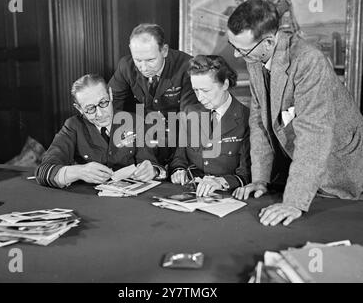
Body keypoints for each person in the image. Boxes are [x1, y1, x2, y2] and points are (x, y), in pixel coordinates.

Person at [226, 0, 363, 226]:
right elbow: (259, 122)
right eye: (233, 46)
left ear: (269, 42)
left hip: (340, 171)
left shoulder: (308, 60)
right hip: (304, 170)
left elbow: (314, 134)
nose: (237, 55)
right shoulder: (255, 56)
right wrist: (260, 179)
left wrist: (294, 202)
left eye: (241, 49)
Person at [35, 74, 164, 188]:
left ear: (111, 94)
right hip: (89, 202)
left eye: (103, 102)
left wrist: (152, 170)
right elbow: (43, 171)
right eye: (90, 109)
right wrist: (79, 171)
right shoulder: (73, 126)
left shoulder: (136, 122)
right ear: (79, 109)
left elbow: (152, 163)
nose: (100, 114)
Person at [108, 23, 198, 166]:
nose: (144, 68)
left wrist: (179, 164)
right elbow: (111, 107)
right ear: (131, 50)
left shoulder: (187, 66)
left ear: (164, 51)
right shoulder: (126, 65)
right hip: (144, 140)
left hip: (179, 140)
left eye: (150, 60)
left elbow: (189, 119)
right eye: (138, 60)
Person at [170, 55, 250, 197]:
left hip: (228, 196)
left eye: (205, 91)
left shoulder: (247, 119)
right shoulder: (190, 112)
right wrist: (178, 171)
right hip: (193, 192)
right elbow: (179, 158)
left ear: (225, 84)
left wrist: (221, 182)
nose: (200, 97)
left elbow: (246, 173)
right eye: (196, 90)